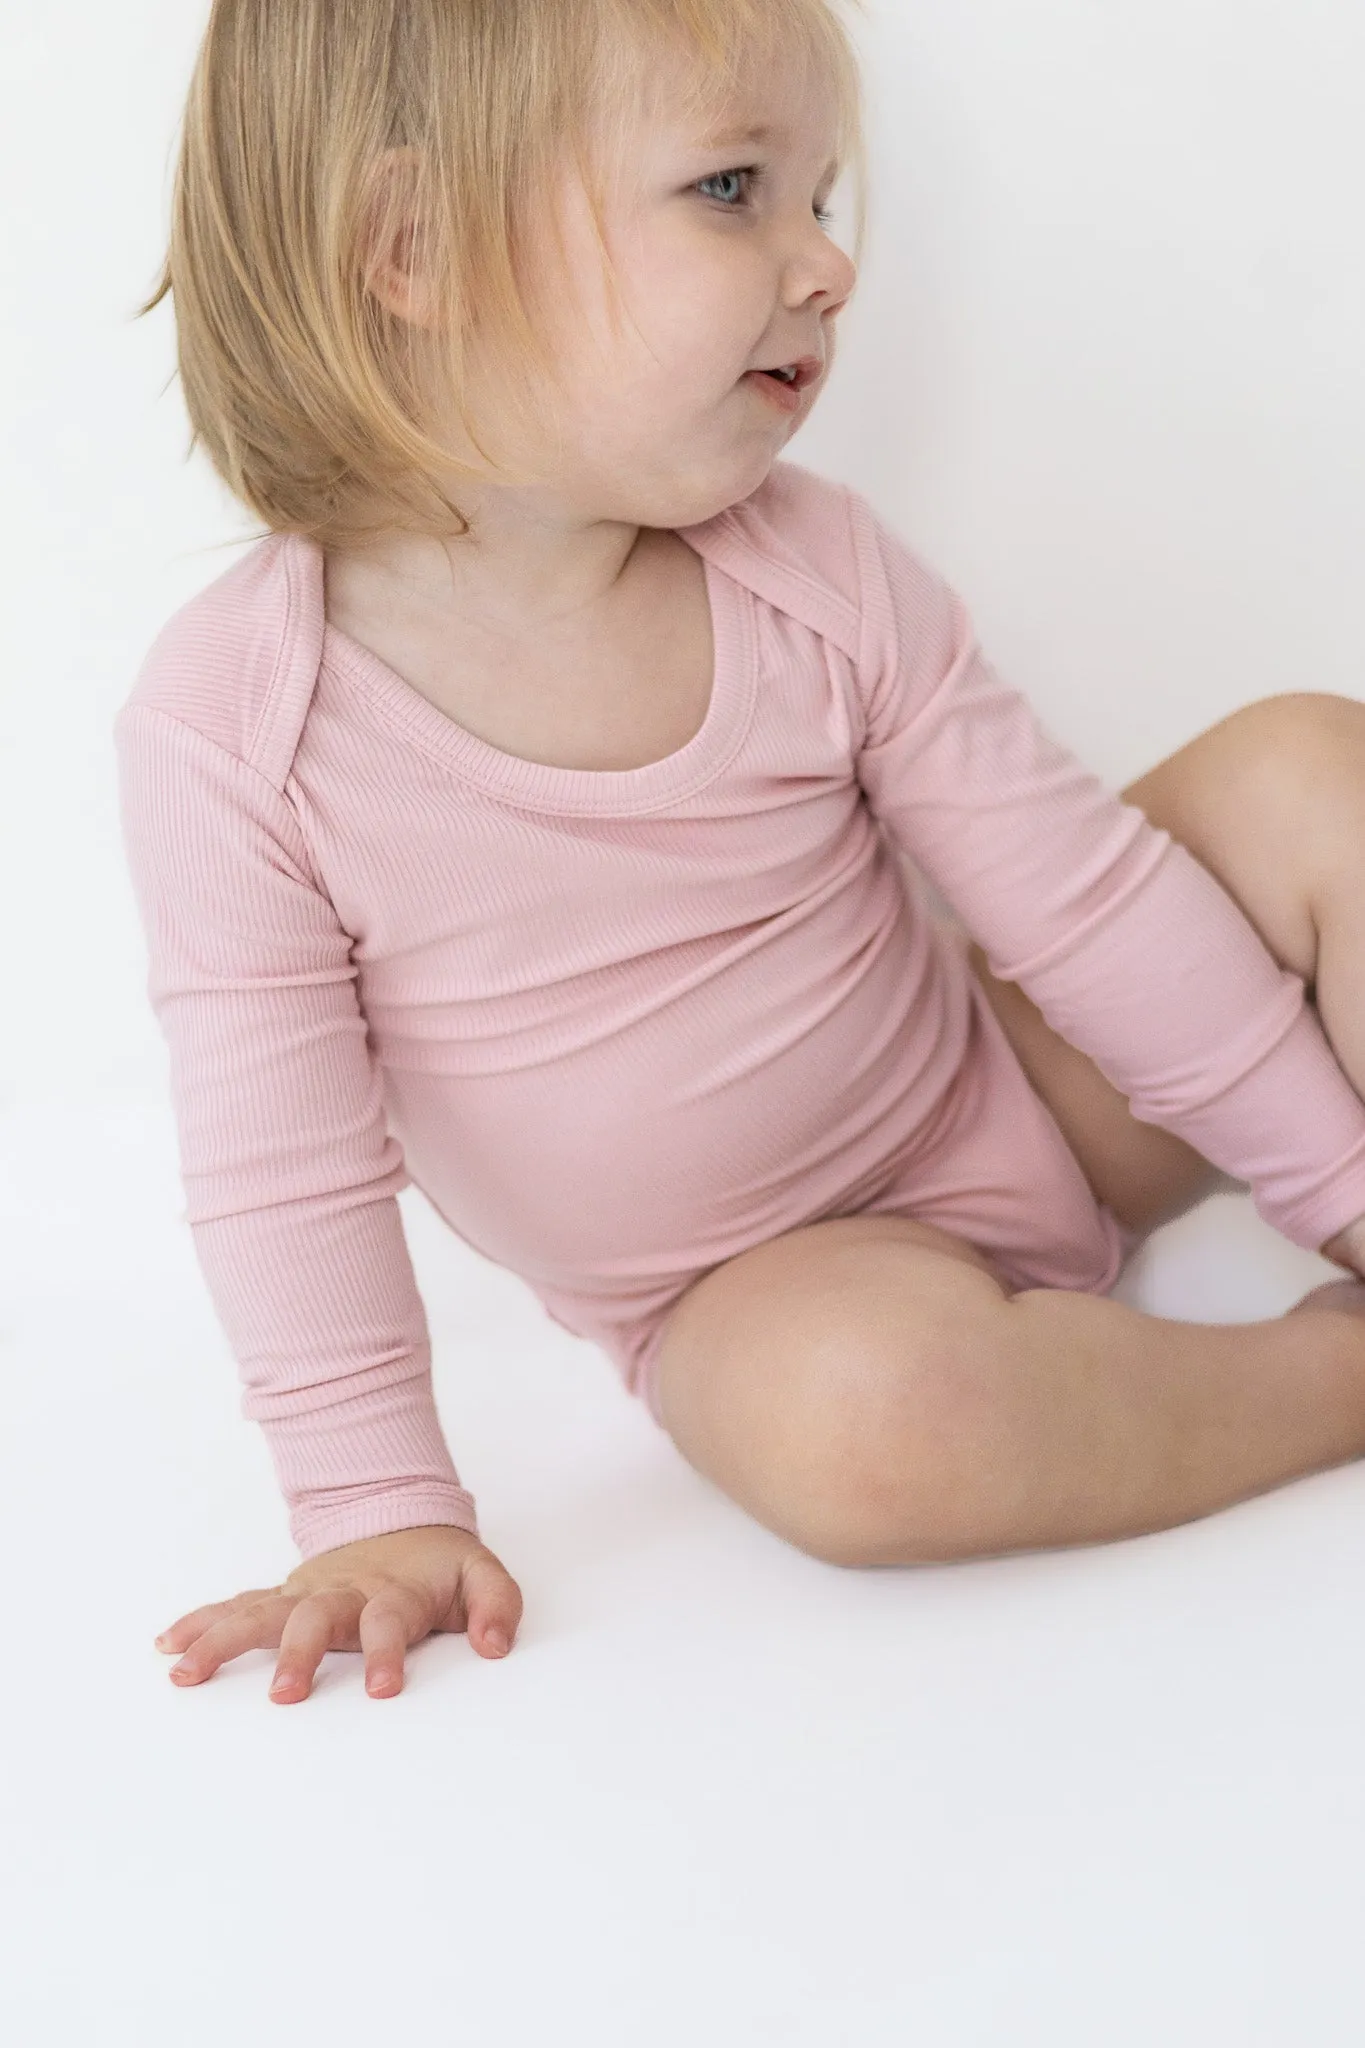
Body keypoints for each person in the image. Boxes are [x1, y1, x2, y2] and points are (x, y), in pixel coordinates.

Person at [115, 0, 1365, 1707]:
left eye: (819, 198)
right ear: (415, 251)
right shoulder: (243, 727)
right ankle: (1330, 1387)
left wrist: (1338, 1186)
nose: (824, 264)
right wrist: (370, 1504)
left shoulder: (812, 568)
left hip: (1005, 1089)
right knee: (865, 1432)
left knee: (1311, 763)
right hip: (756, 1291)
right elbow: (284, 1169)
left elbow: (1080, 900)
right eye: (731, 190)